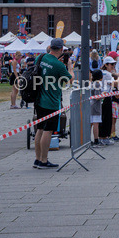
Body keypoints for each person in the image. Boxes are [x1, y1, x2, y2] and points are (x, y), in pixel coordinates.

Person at [33, 38, 72, 169]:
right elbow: (69, 80)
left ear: (50, 47)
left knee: (39, 129)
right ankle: (44, 160)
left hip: (38, 99)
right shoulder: (59, 65)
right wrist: (70, 67)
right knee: (48, 131)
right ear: (61, 49)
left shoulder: (41, 57)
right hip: (51, 102)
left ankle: (37, 159)